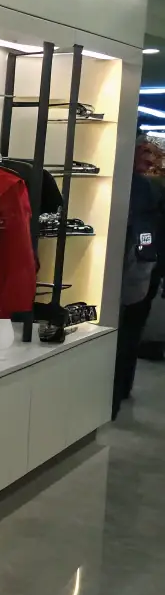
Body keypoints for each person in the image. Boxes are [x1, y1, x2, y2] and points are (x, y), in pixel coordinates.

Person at [113, 140, 165, 415]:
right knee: (129, 331)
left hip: (140, 268)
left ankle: (118, 387)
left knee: (127, 330)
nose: (149, 160)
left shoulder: (143, 188)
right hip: (143, 266)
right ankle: (120, 387)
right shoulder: (150, 189)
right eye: (144, 153)